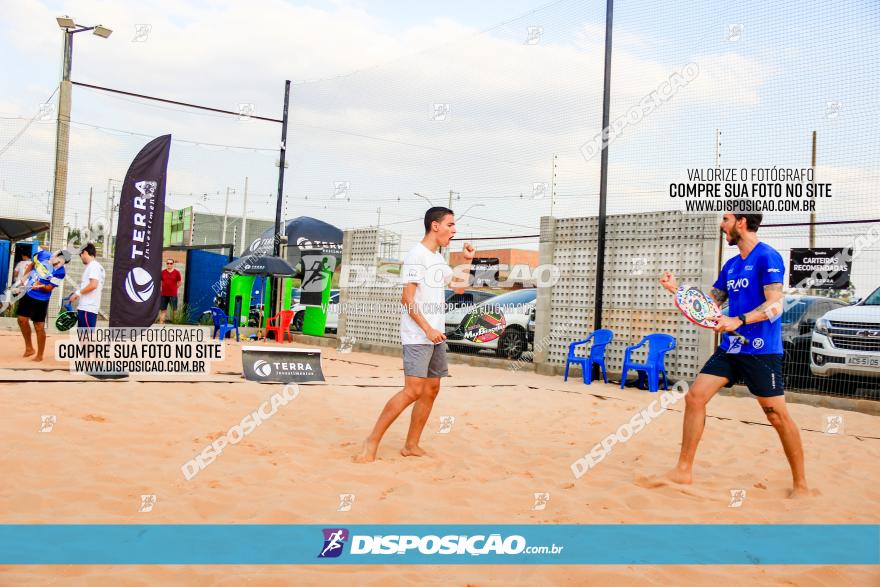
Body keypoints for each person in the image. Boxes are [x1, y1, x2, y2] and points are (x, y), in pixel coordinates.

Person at [648, 213, 809, 497]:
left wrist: (740, 320)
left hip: (760, 350)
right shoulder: (732, 265)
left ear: (742, 222)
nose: (722, 225)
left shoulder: (767, 257)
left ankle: (801, 485)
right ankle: (683, 471)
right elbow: (709, 304)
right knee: (695, 396)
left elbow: (776, 305)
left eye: (726, 219)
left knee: (776, 416)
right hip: (731, 347)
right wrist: (678, 290)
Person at [354, 207, 475, 463]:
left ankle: (411, 445)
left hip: (435, 336)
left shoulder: (438, 259)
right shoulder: (416, 255)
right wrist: (427, 328)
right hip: (419, 335)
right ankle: (371, 441)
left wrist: (466, 261)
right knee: (412, 391)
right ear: (435, 226)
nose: (454, 231)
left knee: (431, 389)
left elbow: (459, 287)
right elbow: (406, 299)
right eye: (450, 225)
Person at [17, 249, 71, 361]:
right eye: (59, 261)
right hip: (27, 293)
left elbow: (49, 288)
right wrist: (23, 280)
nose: (59, 264)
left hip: (41, 299)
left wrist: (40, 285)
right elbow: (31, 265)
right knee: (21, 319)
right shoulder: (42, 255)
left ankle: (40, 355)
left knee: (39, 327)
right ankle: (29, 348)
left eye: (62, 263)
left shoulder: (60, 272)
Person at [68, 243, 105, 329]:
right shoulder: (97, 266)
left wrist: (77, 294)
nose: (80, 257)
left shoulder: (93, 266)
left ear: (84, 252)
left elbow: (93, 285)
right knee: (84, 339)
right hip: (88, 308)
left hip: (87, 308)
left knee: (86, 339)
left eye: (80, 254)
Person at [159, 258, 182, 323]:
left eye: (171, 263)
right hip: (164, 294)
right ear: (166, 264)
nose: (169, 264)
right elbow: (160, 281)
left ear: (173, 264)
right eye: (168, 263)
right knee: (163, 310)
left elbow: (179, 282)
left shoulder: (177, 272)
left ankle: (175, 324)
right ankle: (161, 325)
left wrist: (175, 288)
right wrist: (161, 288)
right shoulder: (163, 272)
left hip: (173, 295)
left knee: (174, 310)